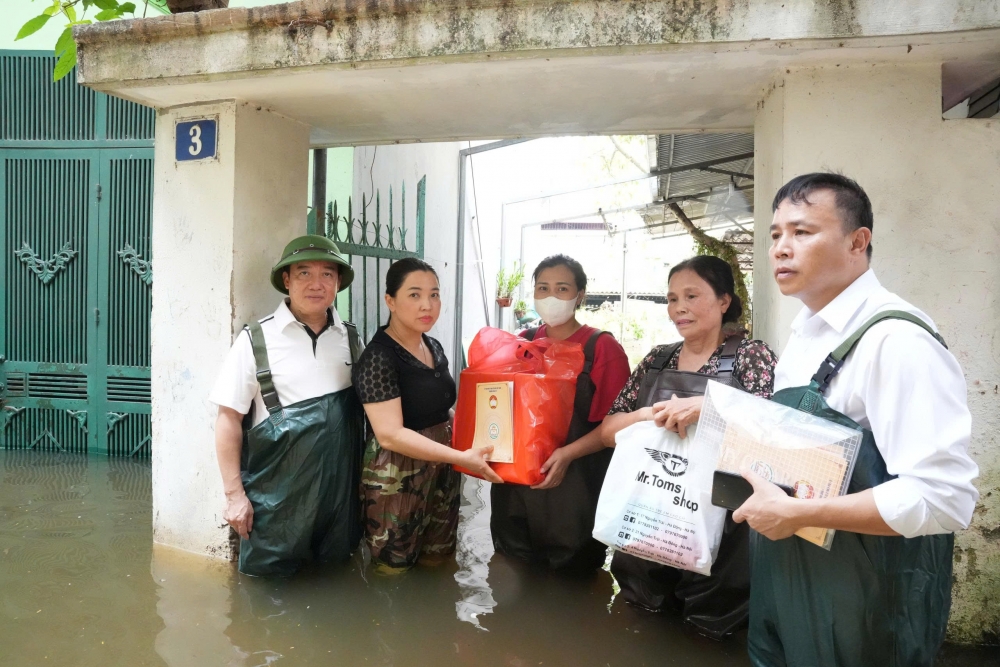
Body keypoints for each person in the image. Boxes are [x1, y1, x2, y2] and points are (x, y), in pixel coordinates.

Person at [733, 173, 979, 666]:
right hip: (789, 579)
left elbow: (945, 498)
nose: (782, 248)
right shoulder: (804, 335)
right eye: (775, 235)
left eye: (802, 232)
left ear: (857, 241)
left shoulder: (896, 340)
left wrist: (800, 514)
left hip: (865, 602)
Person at [600, 255, 777, 639]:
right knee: (639, 621)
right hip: (651, 516)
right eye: (671, 298)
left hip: (724, 525)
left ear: (724, 300)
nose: (678, 308)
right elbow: (609, 431)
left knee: (712, 629)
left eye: (692, 296)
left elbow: (772, 435)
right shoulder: (656, 359)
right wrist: (649, 415)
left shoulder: (750, 356)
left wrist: (708, 411)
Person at [210, 234, 365, 577]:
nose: (316, 284)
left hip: (338, 508)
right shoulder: (256, 340)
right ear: (286, 280)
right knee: (266, 603)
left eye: (327, 274)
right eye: (303, 273)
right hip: (275, 508)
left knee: (336, 586)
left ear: (338, 282)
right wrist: (234, 495)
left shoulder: (352, 339)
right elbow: (227, 419)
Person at [353, 258, 503, 572]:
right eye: (415, 295)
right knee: (394, 565)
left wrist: (484, 436)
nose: (427, 305)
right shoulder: (378, 357)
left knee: (439, 555)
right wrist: (460, 456)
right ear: (390, 301)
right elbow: (389, 434)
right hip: (396, 475)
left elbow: (441, 409)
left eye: (434, 295)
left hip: (444, 466)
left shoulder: (432, 345)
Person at [491, 255, 631, 571]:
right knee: (509, 571)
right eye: (543, 288)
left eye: (562, 288)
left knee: (571, 576)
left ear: (580, 295)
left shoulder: (601, 349)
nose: (551, 296)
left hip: (575, 488)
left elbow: (620, 427)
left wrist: (566, 455)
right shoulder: (521, 343)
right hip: (514, 490)